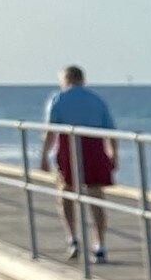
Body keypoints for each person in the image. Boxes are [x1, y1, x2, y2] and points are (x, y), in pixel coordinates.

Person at [38, 65, 117, 264]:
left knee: (65, 194)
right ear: (82, 79)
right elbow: (110, 130)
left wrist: (44, 157)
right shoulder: (97, 100)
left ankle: (72, 238)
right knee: (96, 197)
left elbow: (50, 131)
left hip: (69, 147)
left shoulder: (58, 98)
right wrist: (113, 155)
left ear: (66, 79)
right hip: (94, 147)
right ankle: (99, 244)